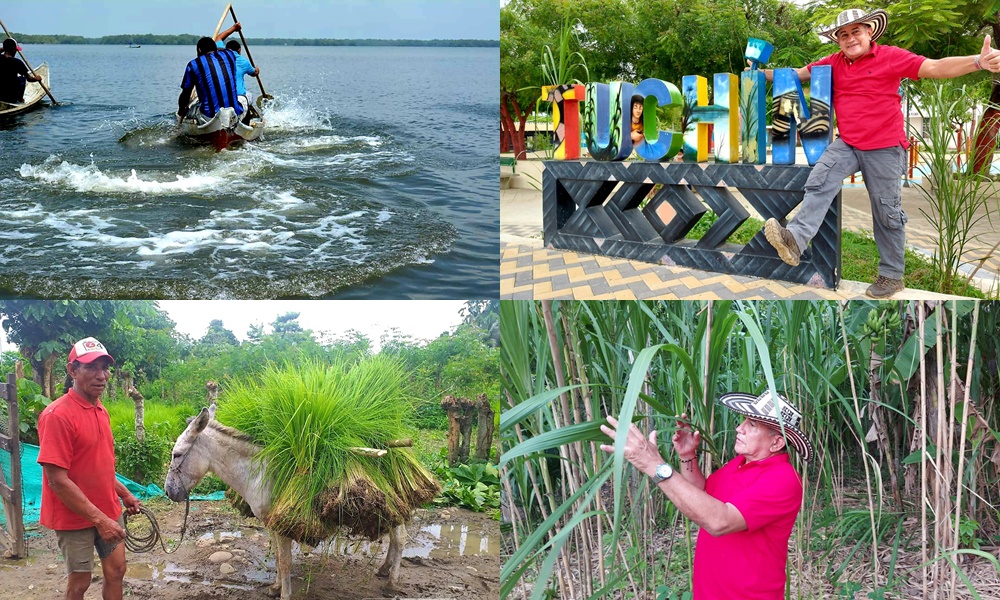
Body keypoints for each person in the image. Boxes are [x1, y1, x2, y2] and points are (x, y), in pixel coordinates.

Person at [757, 8, 1000, 298]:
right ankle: (795, 241)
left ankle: (891, 276)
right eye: (843, 35)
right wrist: (760, 74)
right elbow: (796, 75)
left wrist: (977, 62)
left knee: (886, 212)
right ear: (838, 41)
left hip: (885, 146)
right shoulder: (833, 62)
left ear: (869, 31)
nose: (850, 38)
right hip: (848, 143)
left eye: (856, 31)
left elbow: (934, 67)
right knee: (819, 179)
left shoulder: (891, 56)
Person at [600, 390, 812, 599]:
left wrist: (654, 464)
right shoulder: (739, 464)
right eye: (744, 421)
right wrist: (687, 455)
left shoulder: (783, 479)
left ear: (777, 443)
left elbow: (720, 521)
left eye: (752, 425)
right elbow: (702, 495)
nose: (739, 428)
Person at [37, 337, 142, 600]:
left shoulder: (101, 410)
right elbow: (57, 480)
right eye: (91, 367)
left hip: (107, 508)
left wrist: (124, 493)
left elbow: (100, 465)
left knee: (117, 571)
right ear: (72, 370)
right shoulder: (57, 416)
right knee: (80, 582)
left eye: (104, 368)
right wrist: (99, 520)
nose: (101, 376)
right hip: (74, 517)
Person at [177, 36, 244, 124]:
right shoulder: (230, 55)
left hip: (208, 116)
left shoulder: (193, 64)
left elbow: (186, 93)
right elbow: (223, 48)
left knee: (191, 108)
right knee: (243, 103)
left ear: (199, 50)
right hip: (234, 113)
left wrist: (182, 110)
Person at [214, 22, 260, 112]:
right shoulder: (243, 61)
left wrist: (234, 28)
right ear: (239, 50)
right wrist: (257, 70)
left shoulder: (220, 53)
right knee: (249, 95)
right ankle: (247, 114)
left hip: (221, 94)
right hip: (239, 96)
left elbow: (218, 38)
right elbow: (254, 73)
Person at [0, 38, 42, 104]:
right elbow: (29, 79)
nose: (16, 51)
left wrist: (6, 48)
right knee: (22, 78)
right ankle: (20, 99)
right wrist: (36, 78)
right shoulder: (17, 62)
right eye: (16, 50)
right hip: (10, 98)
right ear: (13, 49)